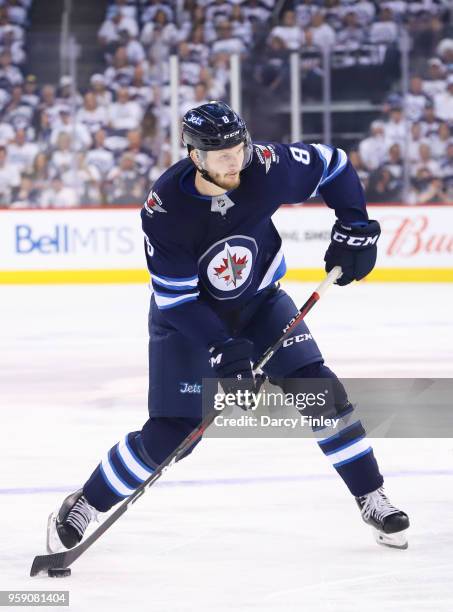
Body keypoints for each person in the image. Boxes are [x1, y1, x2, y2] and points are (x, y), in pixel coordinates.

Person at [46, 101, 409, 554]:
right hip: (191, 322)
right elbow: (177, 300)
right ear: (194, 156)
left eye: (239, 147)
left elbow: (333, 165)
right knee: (174, 432)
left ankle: (370, 495)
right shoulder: (166, 208)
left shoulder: (267, 166)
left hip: (261, 303)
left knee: (319, 391)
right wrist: (222, 348)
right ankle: (86, 502)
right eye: (221, 154)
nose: (235, 159)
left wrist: (354, 224)